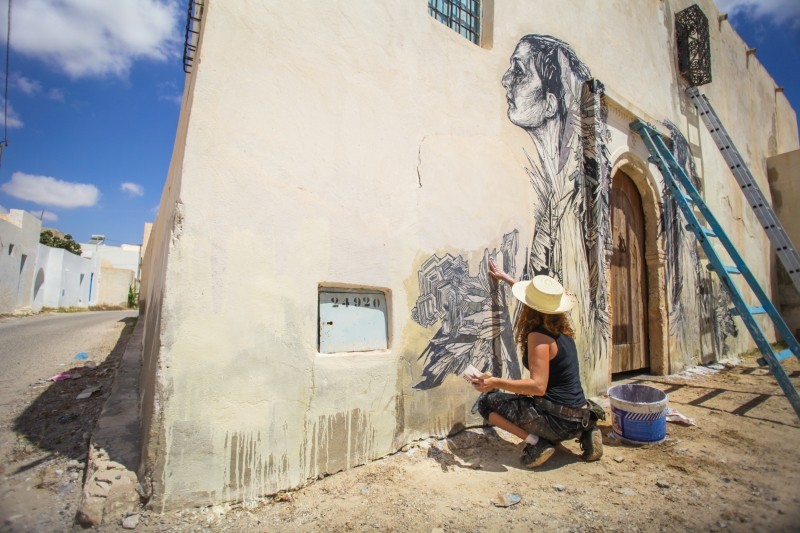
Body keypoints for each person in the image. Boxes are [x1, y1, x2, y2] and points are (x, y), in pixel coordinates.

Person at [470, 259, 603, 468]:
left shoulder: (539, 337)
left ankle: (537, 444)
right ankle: (586, 433)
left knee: (487, 403)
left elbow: (538, 387)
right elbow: (539, 300)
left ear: (530, 308)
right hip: (581, 414)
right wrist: (505, 278)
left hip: (558, 421)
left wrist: (495, 382)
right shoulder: (562, 330)